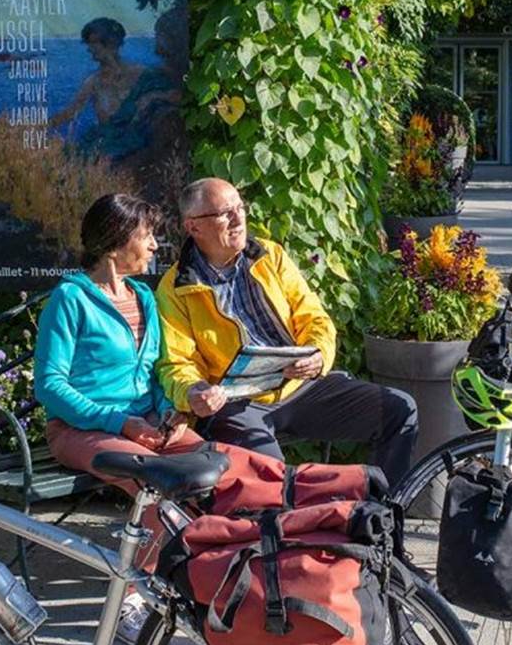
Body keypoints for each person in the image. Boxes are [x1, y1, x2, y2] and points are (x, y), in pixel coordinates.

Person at [155, 178, 419, 485]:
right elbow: (177, 362)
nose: (239, 218)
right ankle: (286, 527)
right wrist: (194, 392)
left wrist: (318, 355)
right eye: (225, 213)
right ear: (194, 227)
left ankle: (380, 513)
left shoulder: (270, 255)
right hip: (237, 403)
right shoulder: (176, 287)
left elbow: (314, 318)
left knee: (400, 409)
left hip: (299, 386)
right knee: (273, 479)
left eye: (240, 207)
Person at [33, 192, 208, 641]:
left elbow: (151, 375)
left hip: (144, 426)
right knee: (153, 485)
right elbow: (50, 386)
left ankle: (192, 580)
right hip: (80, 429)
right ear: (113, 245)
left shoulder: (144, 298)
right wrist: (120, 423)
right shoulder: (70, 299)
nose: (154, 246)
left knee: (210, 468)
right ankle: (131, 601)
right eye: (146, 236)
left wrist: (168, 412)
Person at [48, 17, 145, 136]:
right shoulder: (93, 82)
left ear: (111, 44)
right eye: (89, 43)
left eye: (93, 43)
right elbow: (71, 112)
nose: (89, 49)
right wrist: (39, 126)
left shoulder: (140, 73)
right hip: (108, 142)